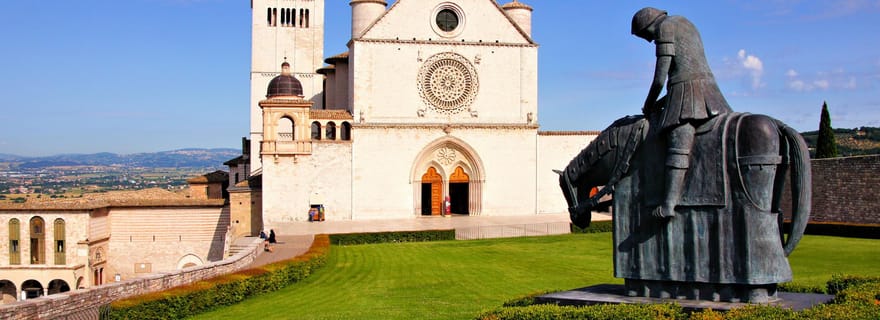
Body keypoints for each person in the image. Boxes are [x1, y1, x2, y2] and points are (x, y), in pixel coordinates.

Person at [632, 7, 732, 218]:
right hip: (709, 90)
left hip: (688, 92)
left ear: (649, 25)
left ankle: (669, 204)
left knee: (678, 143)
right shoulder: (685, 22)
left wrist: (649, 104)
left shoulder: (664, 28)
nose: (649, 40)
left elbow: (660, 78)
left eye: (645, 36)